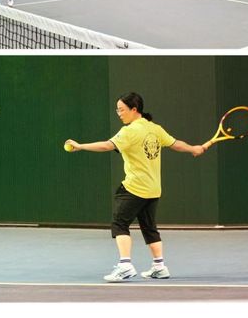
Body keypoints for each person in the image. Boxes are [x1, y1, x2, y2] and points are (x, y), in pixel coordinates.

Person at [64, 92, 205, 282]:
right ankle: (159, 266)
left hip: (134, 188)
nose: (119, 113)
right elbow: (176, 144)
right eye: (117, 110)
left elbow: (106, 146)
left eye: (122, 110)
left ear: (134, 109)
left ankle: (125, 266)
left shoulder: (129, 131)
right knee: (149, 227)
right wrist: (193, 148)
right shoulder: (155, 128)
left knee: (119, 224)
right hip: (153, 189)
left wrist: (80, 146)